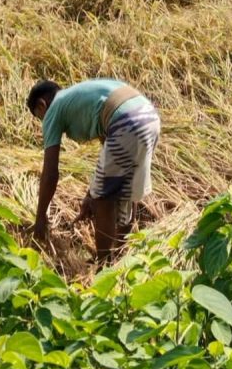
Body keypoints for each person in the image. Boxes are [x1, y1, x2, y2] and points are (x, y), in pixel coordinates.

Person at [26, 78, 160, 264]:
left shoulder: (53, 109)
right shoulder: (78, 97)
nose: (44, 122)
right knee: (126, 191)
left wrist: (40, 219)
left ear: (42, 105)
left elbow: (50, 172)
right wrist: (90, 194)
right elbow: (107, 147)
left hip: (126, 122)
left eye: (39, 117)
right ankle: (120, 257)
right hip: (149, 117)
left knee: (104, 200)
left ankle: (104, 265)